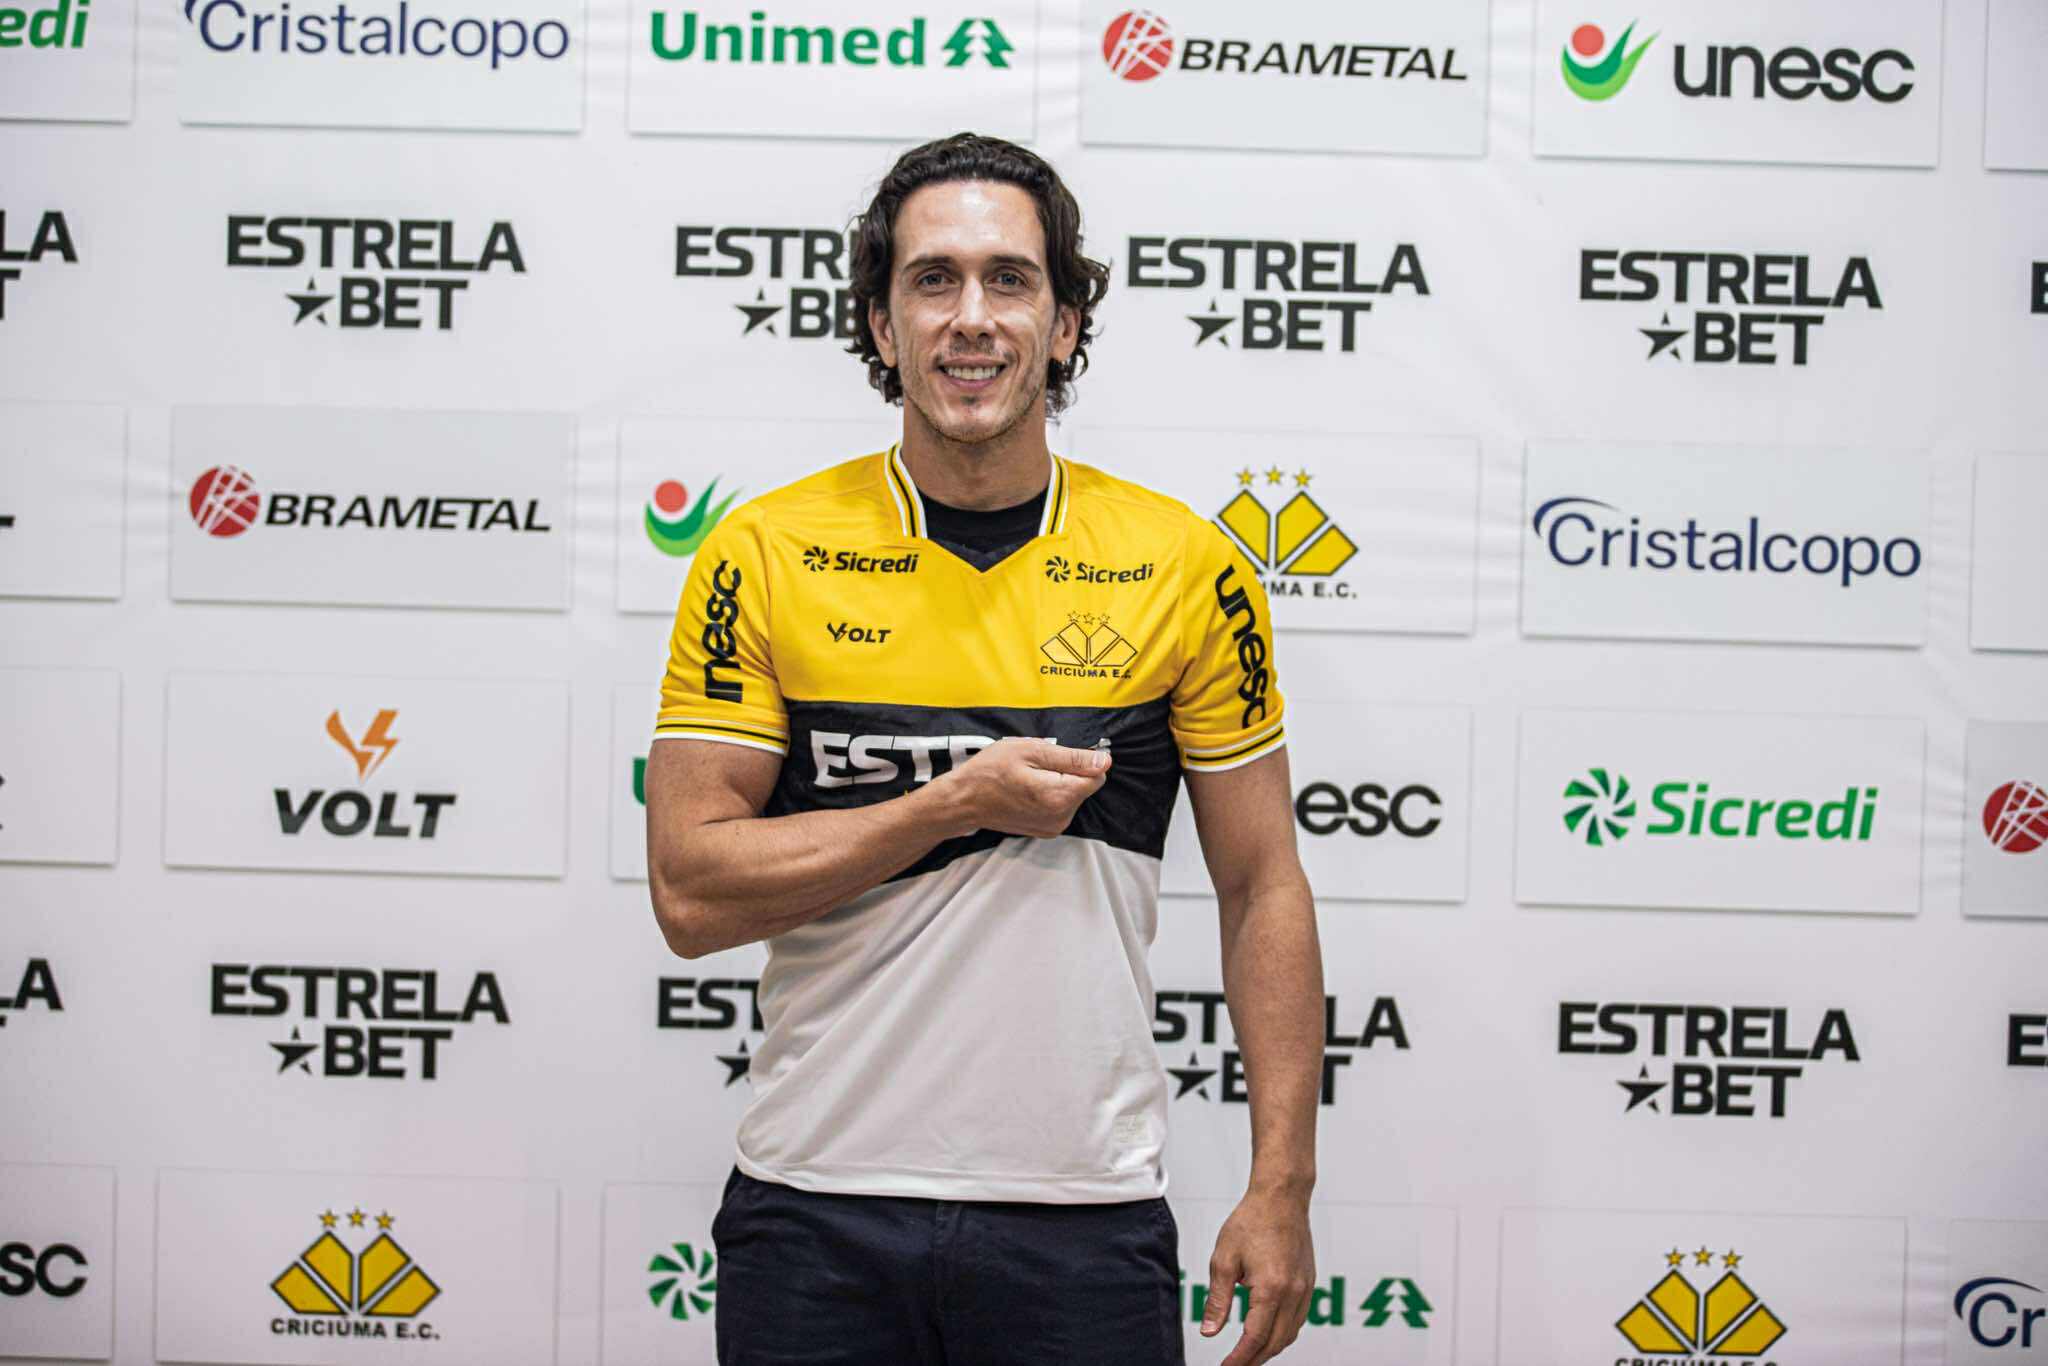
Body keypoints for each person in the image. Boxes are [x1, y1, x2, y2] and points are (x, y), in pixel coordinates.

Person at [644, 132, 1325, 1366]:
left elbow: (1261, 882)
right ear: (881, 323)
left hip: (1084, 1215)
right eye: (932, 280)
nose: (970, 318)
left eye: (1009, 280)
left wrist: (1281, 1186)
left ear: (1064, 324)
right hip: (814, 1208)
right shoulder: (764, 551)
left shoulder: (1184, 563)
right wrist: (948, 803)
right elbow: (690, 895)